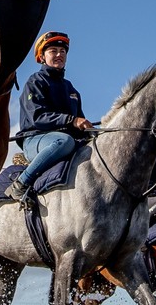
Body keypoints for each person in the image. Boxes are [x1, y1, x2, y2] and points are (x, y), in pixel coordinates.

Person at [7, 31, 94, 205]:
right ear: (42, 57)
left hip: (64, 139)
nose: (59, 55)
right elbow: (37, 117)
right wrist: (71, 121)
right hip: (34, 140)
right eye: (53, 51)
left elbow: (80, 125)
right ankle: (21, 183)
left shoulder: (72, 90)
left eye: (62, 51)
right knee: (65, 141)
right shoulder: (35, 82)